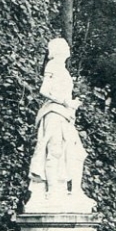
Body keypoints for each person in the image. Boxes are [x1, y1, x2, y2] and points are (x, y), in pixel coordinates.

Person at [26, 37, 94, 213]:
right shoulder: (53, 65)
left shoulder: (61, 68)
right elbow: (44, 90)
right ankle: (53, 192)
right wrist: (66, 102)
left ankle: (75, 191)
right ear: (57, 50)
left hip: (64, 114)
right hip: (54, 113)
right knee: (54, 151)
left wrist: (71, 103)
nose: (68, 48)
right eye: (64, 46)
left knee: (76, 154)